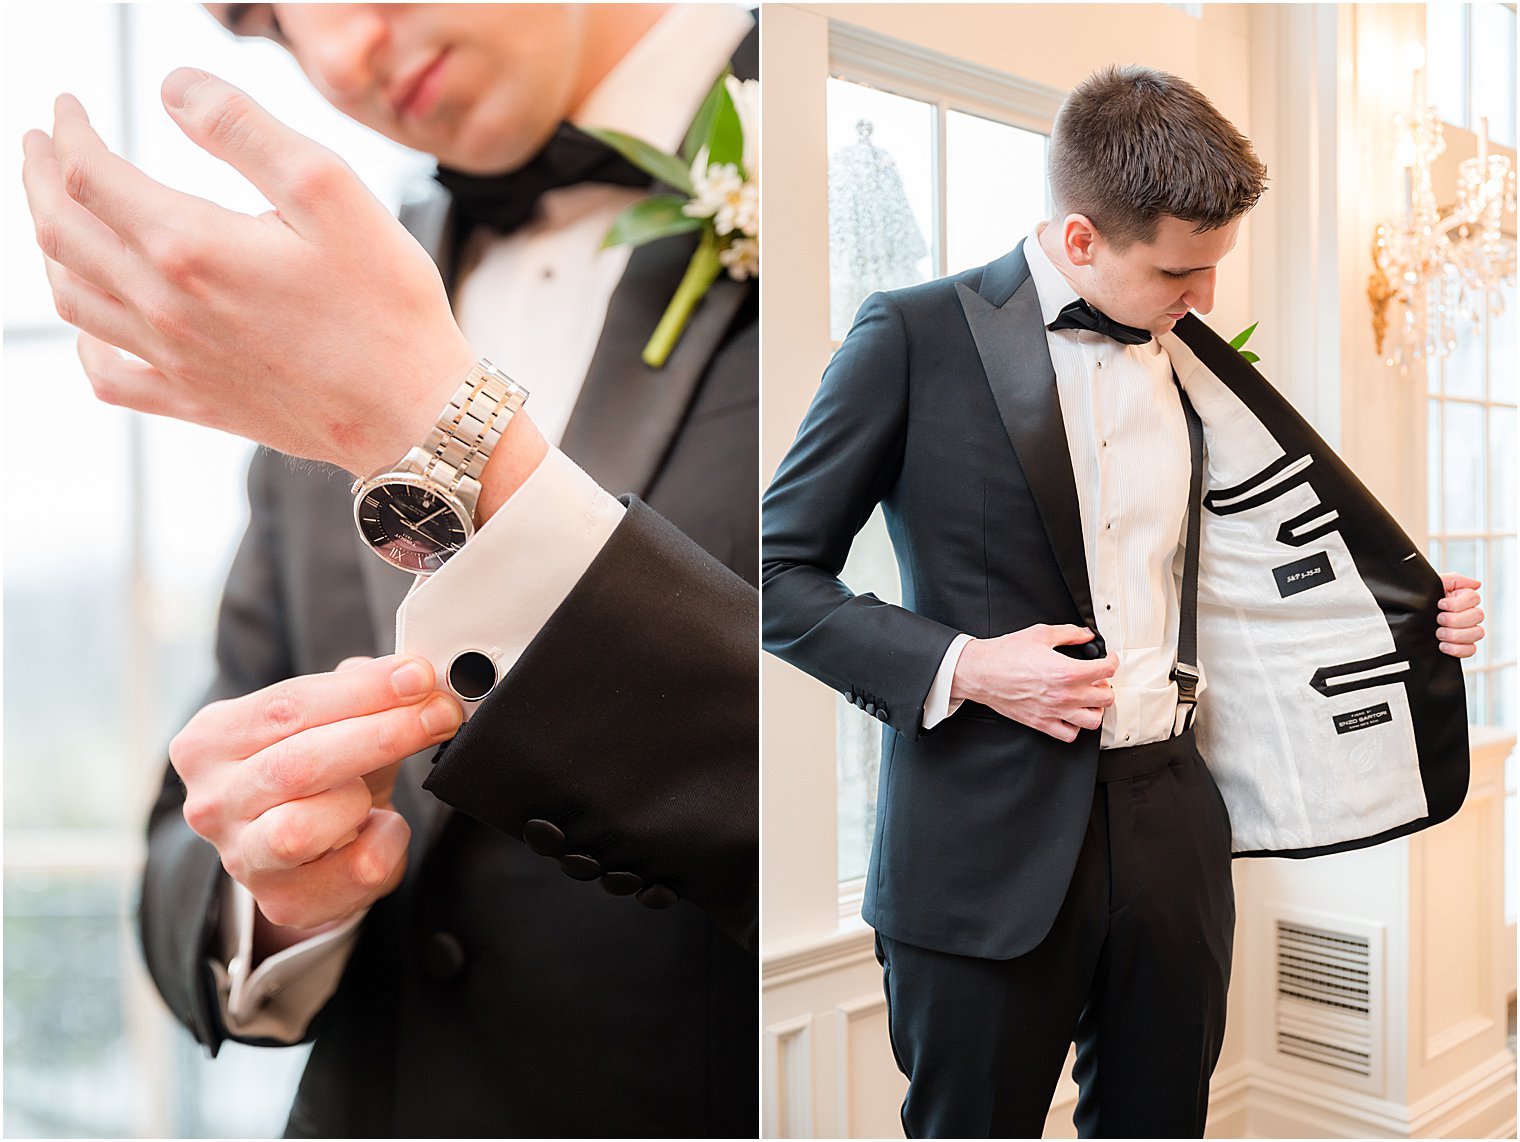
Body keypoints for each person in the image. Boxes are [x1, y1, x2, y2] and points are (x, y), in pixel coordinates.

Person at [21, 3, 758, 1136]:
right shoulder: (313, 300)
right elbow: (187, 826)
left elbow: (926, 798)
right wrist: (270, 898)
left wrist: (427, 422)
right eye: (266, 21)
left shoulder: (861, 144)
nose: (335, 54)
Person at [761, 64, 1484, 1139]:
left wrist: (1415, 619)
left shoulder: (1200, 374)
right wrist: (965, 663)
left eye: (1212, 271)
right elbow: (777, 576)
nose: (1203, 301)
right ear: (1081, 237)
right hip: (976, 839)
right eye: (1179, 272)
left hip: (1168, 824)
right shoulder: (909, 335)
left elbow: (1255, 571)